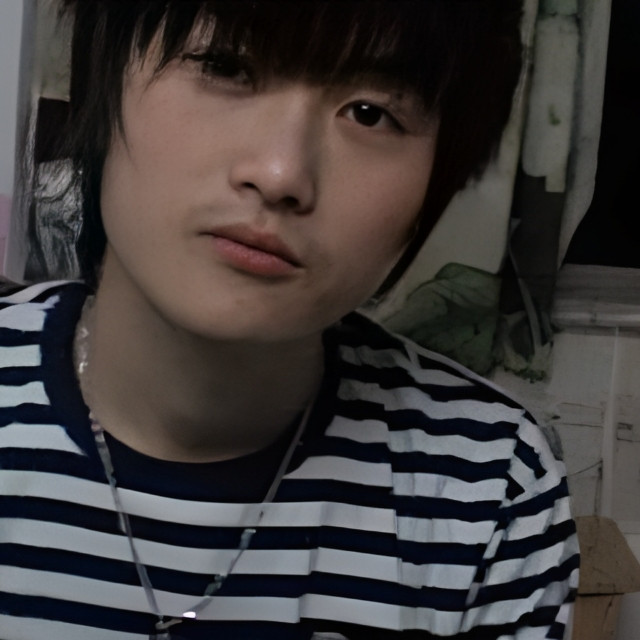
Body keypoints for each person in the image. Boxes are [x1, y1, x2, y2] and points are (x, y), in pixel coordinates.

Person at [0, 1, 579, 638]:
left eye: (370, 112)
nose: (280, 174)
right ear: (100, 79)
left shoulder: (487, 489)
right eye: (225, 66)